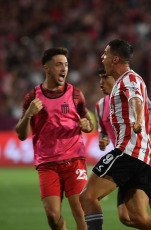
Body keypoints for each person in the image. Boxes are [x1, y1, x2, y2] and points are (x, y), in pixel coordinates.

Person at [79, 39, 151, 230]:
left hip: (128, 152)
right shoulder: (125, 82)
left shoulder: (128, 79)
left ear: (115, 59)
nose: (102, 57)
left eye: (105, 54)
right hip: (141, 157)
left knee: (87, 197)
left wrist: (138, 120)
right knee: (138, 217)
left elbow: (136, 100)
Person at [15, 47, 93, 230]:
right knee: (52, 216)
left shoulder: (75, 94)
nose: (64, 69)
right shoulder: (33, 97)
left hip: (74, 160)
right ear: (46, 68)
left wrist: (87, 126)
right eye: (59, 64)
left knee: (80, 211)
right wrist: (28, 115)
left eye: (66, 65)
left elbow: (89, 122)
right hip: (47, 163)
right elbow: (21, 135)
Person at [94, 67, 151, 229]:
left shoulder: (135, 96)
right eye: (100, 77)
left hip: (149, 157)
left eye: (105, 77)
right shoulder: (99, 106)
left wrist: (145, 145)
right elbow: (103, 132)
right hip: (126, 160)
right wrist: (102, 139)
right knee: (126, 216)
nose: (101, 81)